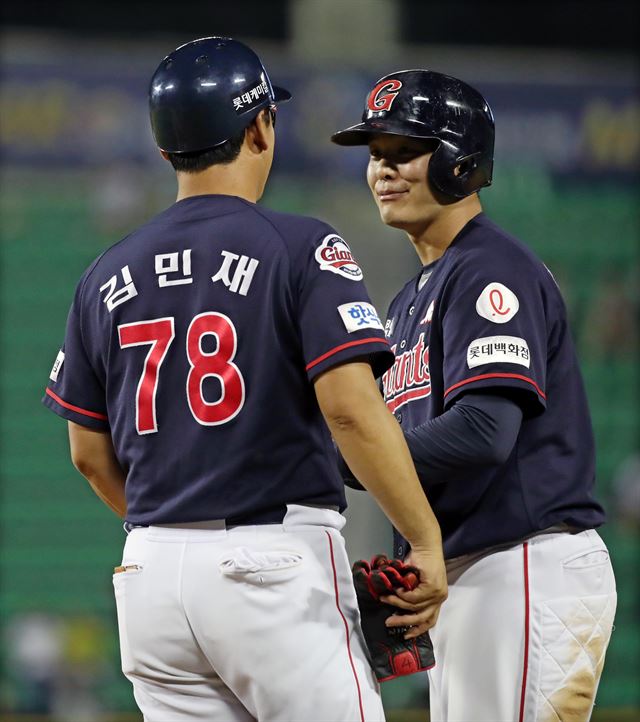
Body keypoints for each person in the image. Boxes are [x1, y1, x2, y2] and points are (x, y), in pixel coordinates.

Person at [42, 39, 447, 722]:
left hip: (150, 575)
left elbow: (87, 454)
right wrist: (426, 543)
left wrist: (175, 536)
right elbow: (350, 412)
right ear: (260, 127)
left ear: (167, 149)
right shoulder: (301, 246)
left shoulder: (103, 276)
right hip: (272, 563)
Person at [331, 70, 617, 722]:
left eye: (406, 150)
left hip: (521, 564)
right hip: (468, 573)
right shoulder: (408, 300)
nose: (383, 169)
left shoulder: (491, 266)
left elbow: (484, 430)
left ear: (461, 161)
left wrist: (349, 459)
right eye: (376, 154)